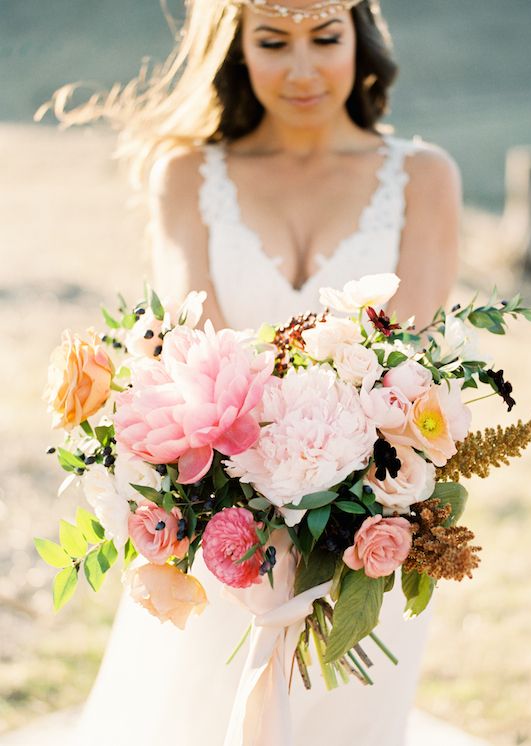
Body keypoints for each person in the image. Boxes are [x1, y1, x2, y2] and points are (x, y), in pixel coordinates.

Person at [40, 1, 461, 744]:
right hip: (223, 540)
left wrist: (345, 496)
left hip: (362, 540)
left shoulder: (425, 177)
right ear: (237, 49)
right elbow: (184, 354)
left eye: (325, 38)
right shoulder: (186, 176)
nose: (303, 69)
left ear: (358, 37)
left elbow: (411, 368)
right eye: (273, 42)